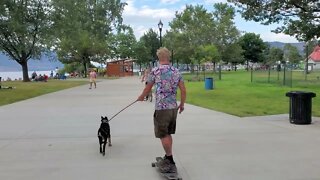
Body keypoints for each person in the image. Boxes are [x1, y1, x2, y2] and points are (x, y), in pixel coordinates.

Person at [137, 47, 186, 173]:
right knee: (168, 132)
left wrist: (141, 97)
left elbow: (148, 87)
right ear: (168, 57)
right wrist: (182, 104)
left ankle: (170, 159)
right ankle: (168, 156)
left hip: (161, 108)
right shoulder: (176, 71)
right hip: (173, 108)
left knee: (163, 134)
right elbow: (183, 90)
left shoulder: (156, 71)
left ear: (159, 58)